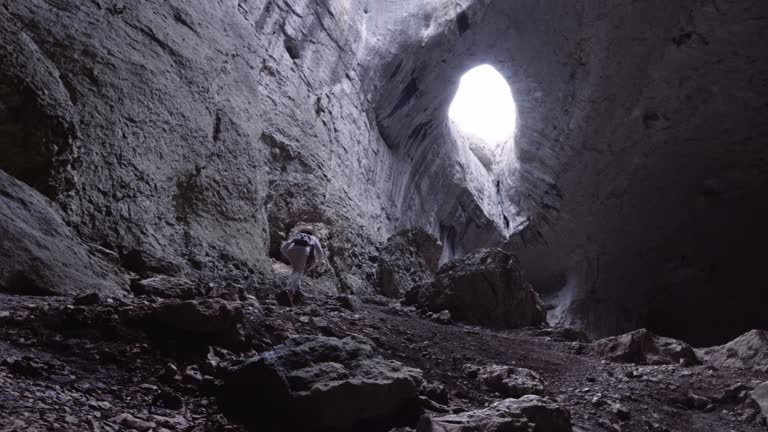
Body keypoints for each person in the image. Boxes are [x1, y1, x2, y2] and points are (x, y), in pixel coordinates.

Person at [279, 227, 323, 305]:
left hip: (290, 250)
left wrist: (288, 257)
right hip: (303, 252)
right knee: (298, 270)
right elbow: (319, 251)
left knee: (297, 269)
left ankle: (297, 289)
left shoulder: (298, 236)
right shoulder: (313, 238)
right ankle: (289, 290)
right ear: (311, 233)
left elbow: (283, 248)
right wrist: (319, 262)